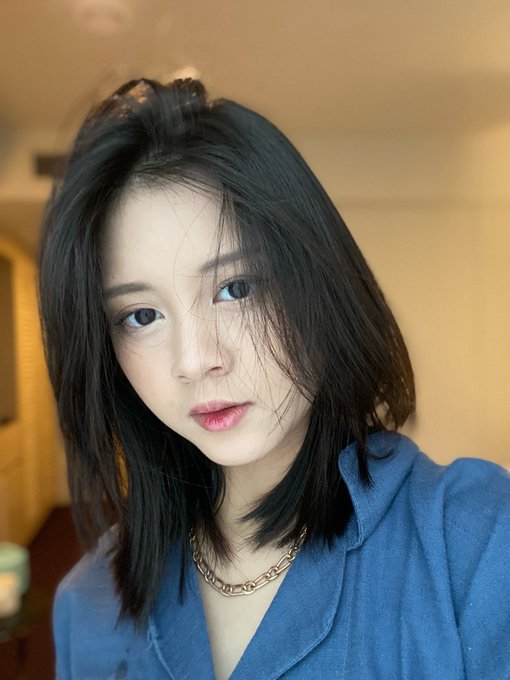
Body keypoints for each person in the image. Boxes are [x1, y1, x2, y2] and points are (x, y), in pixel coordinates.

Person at [38, 78, 510, 680]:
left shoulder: (477, 543)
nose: (195, 360)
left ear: (319, 280)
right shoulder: (88, 608)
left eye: (236, 288)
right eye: (142, 316)